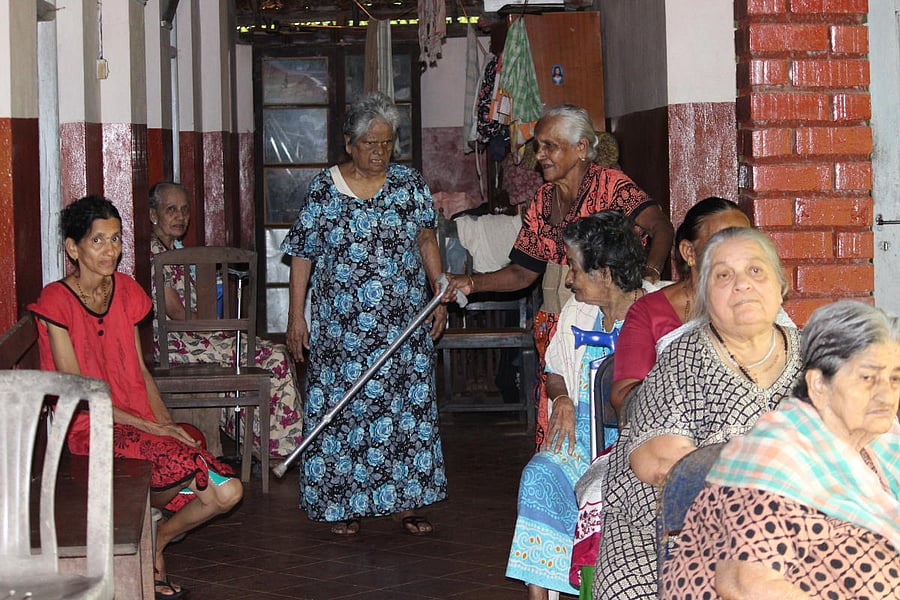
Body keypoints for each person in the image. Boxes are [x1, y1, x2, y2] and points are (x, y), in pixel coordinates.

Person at [29, 195, 242, 600]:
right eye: (98, 241)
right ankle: (153, 550)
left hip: (137, 423)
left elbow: (139, 372)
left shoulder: (125, 290)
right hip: (91, 429)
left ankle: (156, 542)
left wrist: (167, 425)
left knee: (208, 467)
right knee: (216, 482)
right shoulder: (56, 302)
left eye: (116, 239)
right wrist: (155, 428)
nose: (111, 250)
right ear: (73, 248)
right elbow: (82, 395)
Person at [445, 104, 674, 448]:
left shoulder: (611, 186)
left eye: (550, 145)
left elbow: (661, 228)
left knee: (607, 427)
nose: (540, 155)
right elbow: (524, 272)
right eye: (539, 145)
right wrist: (473, 283)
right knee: (560, 427)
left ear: (581, 147)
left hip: (606, 324)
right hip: (557, 326)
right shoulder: (542, 200)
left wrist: (650, 277)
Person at [592, 227, 803, 599]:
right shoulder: (682, 358)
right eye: (724, 275)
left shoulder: (818, 358)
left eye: (756, 271)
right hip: (666, 529)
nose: (742, 285)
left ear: (781, 286)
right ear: (705, 292)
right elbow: (658, 462)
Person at [280, 91, 447, 536]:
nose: (379, 152)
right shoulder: (323, 188)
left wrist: (439, 291)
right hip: (342, 328)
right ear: (349, 143)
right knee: (343, 412)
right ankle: (342, 504)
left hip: (404, 322)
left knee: (404, 411)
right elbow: (302, 256)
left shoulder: (409, 185)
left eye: (387, 143)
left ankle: (405, 503)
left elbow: (426, 240)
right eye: (370, 143)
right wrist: (297, 318)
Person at [661, 300, 900, 599]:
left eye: (895, 378)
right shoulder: (770, 460)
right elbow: (745, 585)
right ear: (819, 385)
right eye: (867, 378)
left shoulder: (883, 448)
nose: (886, 394)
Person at [506, 211, 655, 598]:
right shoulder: (578, 310)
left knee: (607, 489)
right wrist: (562, 400)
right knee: (539, 474)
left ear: (605, 273)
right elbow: (555, 367)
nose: (568, 280)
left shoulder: (659, 313)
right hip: (582, 430)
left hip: (638, 441)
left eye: (574, 268)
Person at [148, 181, 303, 458]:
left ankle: (271, 444)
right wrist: (215, 330)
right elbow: (173, 309)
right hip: (177, 345)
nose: (180, 216)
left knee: (272, 353)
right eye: (171, 209)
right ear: (153, 215)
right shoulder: (156, 255)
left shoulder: (178, 250)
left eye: (184, 210)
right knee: (274, 357)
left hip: (197, 337)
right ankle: (281, 448)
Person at [610, 197, 750, 413]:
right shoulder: (649, 311)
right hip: (672, 436)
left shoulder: (758, 304)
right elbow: (624, 395)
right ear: (689, 253)